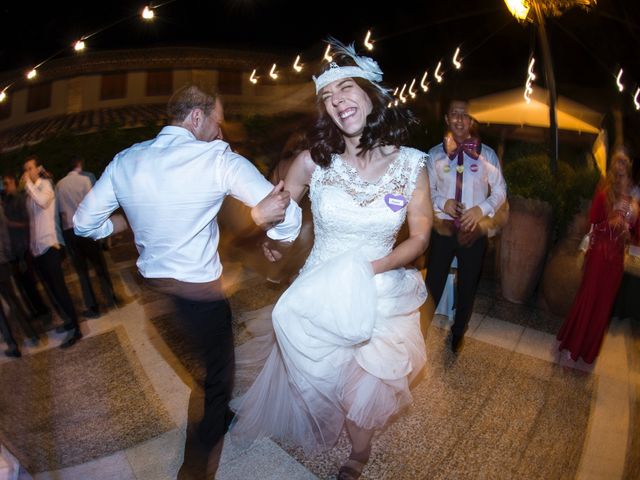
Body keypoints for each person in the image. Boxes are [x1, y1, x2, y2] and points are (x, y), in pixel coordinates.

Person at [72, 82, 301, 479]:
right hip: (201, 300)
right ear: (196, 117)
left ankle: (220, 414)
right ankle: (194, 472)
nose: (221, 131)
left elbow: (83, 224)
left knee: (201, 367)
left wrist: (120, 223)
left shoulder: (126, 159)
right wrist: (272, 231)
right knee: (216, 385)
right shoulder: (216, 159)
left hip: (154, 299)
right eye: (217, 121)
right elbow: (288, 213)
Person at [230, 40, 432, 480]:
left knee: (370, 374)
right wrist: (270, 234)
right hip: (320, 285)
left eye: (345, 88)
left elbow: (418, 239)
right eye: (327, 96)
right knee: (329, 371)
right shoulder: (310, 163)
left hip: (380, 285)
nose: (337, 100)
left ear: (370, 93)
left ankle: (358, 451)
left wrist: (368, 270)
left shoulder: (414, 166)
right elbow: (278, 212)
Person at [425, 99, 507, 353]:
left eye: (465, 115)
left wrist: (480, 209)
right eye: (455, 114)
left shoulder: (488, 155)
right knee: (433, 282)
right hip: (444, 228)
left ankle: (458, 332)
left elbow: (501, 191)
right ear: (447, 119)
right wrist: (443, 202)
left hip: (473, 230)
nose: (460, 119)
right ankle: (420, 331)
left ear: (471, 121)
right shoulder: (434, 154)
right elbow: (426, 191)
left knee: (468, 284)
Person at [558, 147, 639, 363]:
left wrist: (629, 232)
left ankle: (589, 351)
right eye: (617, 163)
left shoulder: (634, 198)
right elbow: (592, 223)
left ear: (629, 166)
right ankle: (573, 345)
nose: (619, 168)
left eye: (623, 163)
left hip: (616, 261)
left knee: (604, 305)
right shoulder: (605, 191)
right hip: (599, 254)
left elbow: (636, 233)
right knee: (589, 298)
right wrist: (611, 224)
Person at [22, 155, 82, 349]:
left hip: (51, 246)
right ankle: (69, 321)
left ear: (38, 169)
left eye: (30, 168)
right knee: (52, 291)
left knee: (60, 289)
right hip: (38, 249)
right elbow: (33, 222)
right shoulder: (29, 194)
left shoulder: (45, 186)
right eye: (25, 169)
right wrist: (31, 246)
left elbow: (43, 202)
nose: (27, 172)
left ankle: (77, 329)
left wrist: (29, 187)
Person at [57, 155, 117, 318]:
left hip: (70, 231)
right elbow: (94, 204)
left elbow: (61, 213)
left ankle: (92, 305)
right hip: (86, 229)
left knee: (82, 271)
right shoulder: (84, 181)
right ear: (78, 164)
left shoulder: (59, 185)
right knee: (99, 265)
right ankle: (110, 297)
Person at [2, 174, 51, 323]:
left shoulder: (20, 199)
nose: (5, 186)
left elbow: (28, 222)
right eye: (4, 184)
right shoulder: (7, 201)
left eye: (8, 183)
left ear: (15, 184)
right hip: (14, 250)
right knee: (23, 285)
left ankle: (44, 311)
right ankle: (35, 310)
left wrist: (10, 224)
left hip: (24, 247)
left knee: (31, 282)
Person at [0, 206, 40, 357]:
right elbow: (4, 232)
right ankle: (31, 335)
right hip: (2, 262)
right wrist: (7, 255)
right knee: (13, 301)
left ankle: (12, 345)